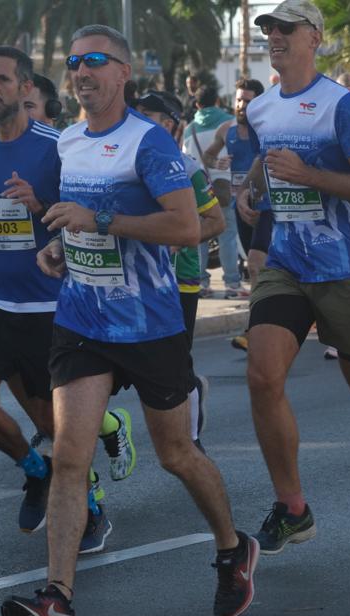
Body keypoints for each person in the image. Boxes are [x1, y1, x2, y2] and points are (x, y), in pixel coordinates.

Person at [0, 25, 258, 616]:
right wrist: (62, 245)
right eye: (73, 62)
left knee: (176, 455)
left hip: (149, 324)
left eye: (94, 61)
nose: (82, 72)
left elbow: (187, 227)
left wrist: (102, 219)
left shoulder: (148, 144)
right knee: (68, 456)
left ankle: (232, 548)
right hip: (83, 320)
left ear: (122, 74)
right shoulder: (68, 142)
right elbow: (80, 223)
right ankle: (58, 599)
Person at [234, 0, 350, 557]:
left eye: (285, 29)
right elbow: (269, 161)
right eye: (268, 29)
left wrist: (310, 175)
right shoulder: (264, 108)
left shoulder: (340, 106)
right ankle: (292, 507)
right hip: (288, 265)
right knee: (262, 375)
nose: (274, 37)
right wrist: (252, 188)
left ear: (314, 37)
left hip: (346, 268)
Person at [0, 49, 134, 552]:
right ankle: (36, 471)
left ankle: (92, 511)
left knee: (53, 425)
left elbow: (88, 211)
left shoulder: (59, 146)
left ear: (26, 88)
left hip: (48, 307)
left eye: (2, 80)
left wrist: (40, 206)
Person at [134, 89, 226, 447]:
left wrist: (180, 238)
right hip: (137, 280)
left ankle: (190, 437)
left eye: (146, 116)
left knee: (175, 363)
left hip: (179, 280)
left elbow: (216, 222)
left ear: (168, 124)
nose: (136, 122)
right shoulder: (131, 162)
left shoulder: (187, 169)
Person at [201, 78, 268, 352]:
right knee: (260, 267)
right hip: (240, 208)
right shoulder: (226, 129)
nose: (242, 105)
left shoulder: (266, 130)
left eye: (248, 100)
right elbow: (207, 156)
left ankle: (255, 329)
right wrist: (217, 163)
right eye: (239, 99)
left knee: (256, 264)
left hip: (267, 205)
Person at [183, 86, 247, 299]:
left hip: (197, 189)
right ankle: (232, 284)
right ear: (218, 101)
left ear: (197, 105)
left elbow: (186, 160)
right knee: (227, 235)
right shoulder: (229, 123)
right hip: (223, 186)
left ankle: (201, 282)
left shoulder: (189, 129)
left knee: (200, 235)